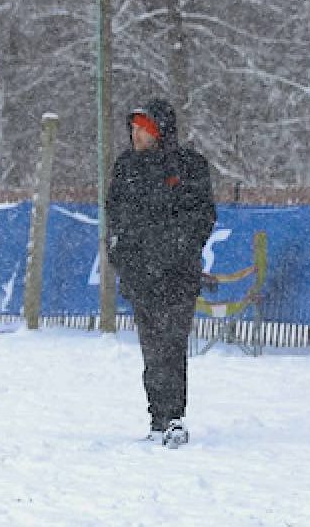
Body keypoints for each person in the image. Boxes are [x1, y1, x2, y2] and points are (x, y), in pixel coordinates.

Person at [105, 98, 216, 448]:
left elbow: (201, 217)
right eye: (134, 127)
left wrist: (172, 248)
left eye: (144, 127)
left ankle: (174, 416)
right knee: (151, 346)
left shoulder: (189, 167)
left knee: (172, 344)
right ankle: (157, 415)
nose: (136, 134)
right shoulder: (126, 167)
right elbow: (115, 214)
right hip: (140, 273)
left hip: (176, 273)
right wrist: (120, 252)